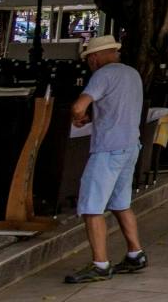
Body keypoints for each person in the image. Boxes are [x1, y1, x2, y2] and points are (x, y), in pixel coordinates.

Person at [62, 37, 148, 283]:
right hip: (131, 145)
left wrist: (78, 117)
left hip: (108, 149)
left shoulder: (102, 75)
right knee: (121, 203)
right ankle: (135, 253)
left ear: (93, 57)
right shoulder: (132, 73)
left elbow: (80, 106)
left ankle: (100, 263)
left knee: (91, 207)